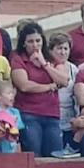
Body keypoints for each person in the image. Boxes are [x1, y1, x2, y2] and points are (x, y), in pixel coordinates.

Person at [10, 21, 70, 156]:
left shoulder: (51, 59)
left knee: (55, 154)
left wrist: (44, 63)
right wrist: (49, 86)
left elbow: (64, 80)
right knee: (33, 154)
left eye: (38, 40)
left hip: (52, 114)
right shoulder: (18, 59)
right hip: (29, 113)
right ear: (23, 43)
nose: (35, 45)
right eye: (30, 41)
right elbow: (24, 85)